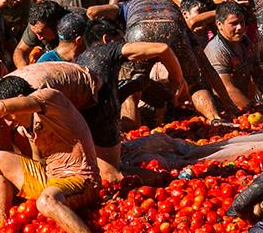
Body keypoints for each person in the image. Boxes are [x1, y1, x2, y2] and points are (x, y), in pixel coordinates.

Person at [0, 77, 108, 233]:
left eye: (8, 117)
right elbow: (38, 161)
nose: (8, 123)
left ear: (21, 100)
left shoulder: (50, 98)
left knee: (46, 201)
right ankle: (0, 226)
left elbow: (0, 108)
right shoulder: (28, 124)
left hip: (81, 179)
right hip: (51, 177)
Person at [74, 19, 190, 181]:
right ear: (107, 39)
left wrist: (136, 85)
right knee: (113, 174)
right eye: (121, 40)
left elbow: (105, 90)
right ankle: (171, 180)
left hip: (83, 124)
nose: (124, 43)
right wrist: (178, 80)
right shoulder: (108, 49)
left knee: (101, 171)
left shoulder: (79, 59)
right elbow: (162, 48)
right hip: (103, 122)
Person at [88, 0, 222, 122]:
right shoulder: (170, 6)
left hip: (140, 31)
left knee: (131, 87)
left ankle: (132, 133)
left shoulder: (126, 5)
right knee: (195, 84)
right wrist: (228, 105)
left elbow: (93, 11)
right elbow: (204, 62)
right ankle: (215, 120)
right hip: (174, 28)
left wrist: (99, 26)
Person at [205, 2, 261, 111]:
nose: (240, 27)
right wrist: (254, 110)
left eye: (242, 22)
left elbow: (257, 72)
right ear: (219, 25)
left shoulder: (245, 41)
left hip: (243, 104)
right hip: (224, 108)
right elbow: (227, 89)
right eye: (234, 23)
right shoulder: (216, 50)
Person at [13, 0, 68, 68]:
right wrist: (24, 70)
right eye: (35, 33)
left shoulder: (73, 24)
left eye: (41, 33)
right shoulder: (36, 26)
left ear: (56, 25)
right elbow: (20, 50)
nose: (39, 38)